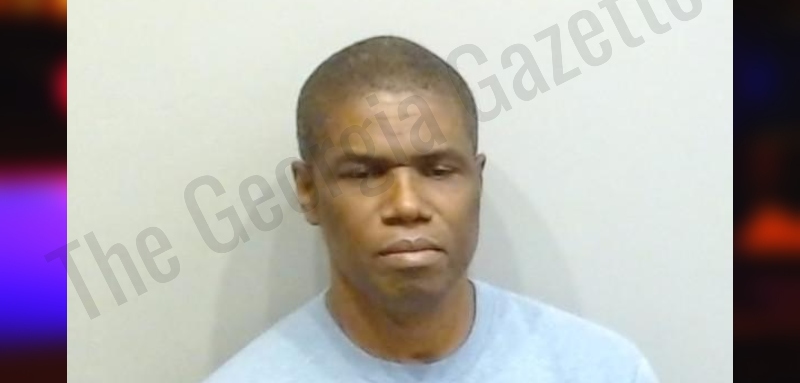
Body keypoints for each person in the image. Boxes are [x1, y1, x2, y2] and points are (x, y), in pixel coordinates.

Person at [204, 35, 659, 382]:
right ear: (308, 191)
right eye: (364, 174)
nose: (406, 205)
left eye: (439, 171)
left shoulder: (603, 370)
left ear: (477, 180)